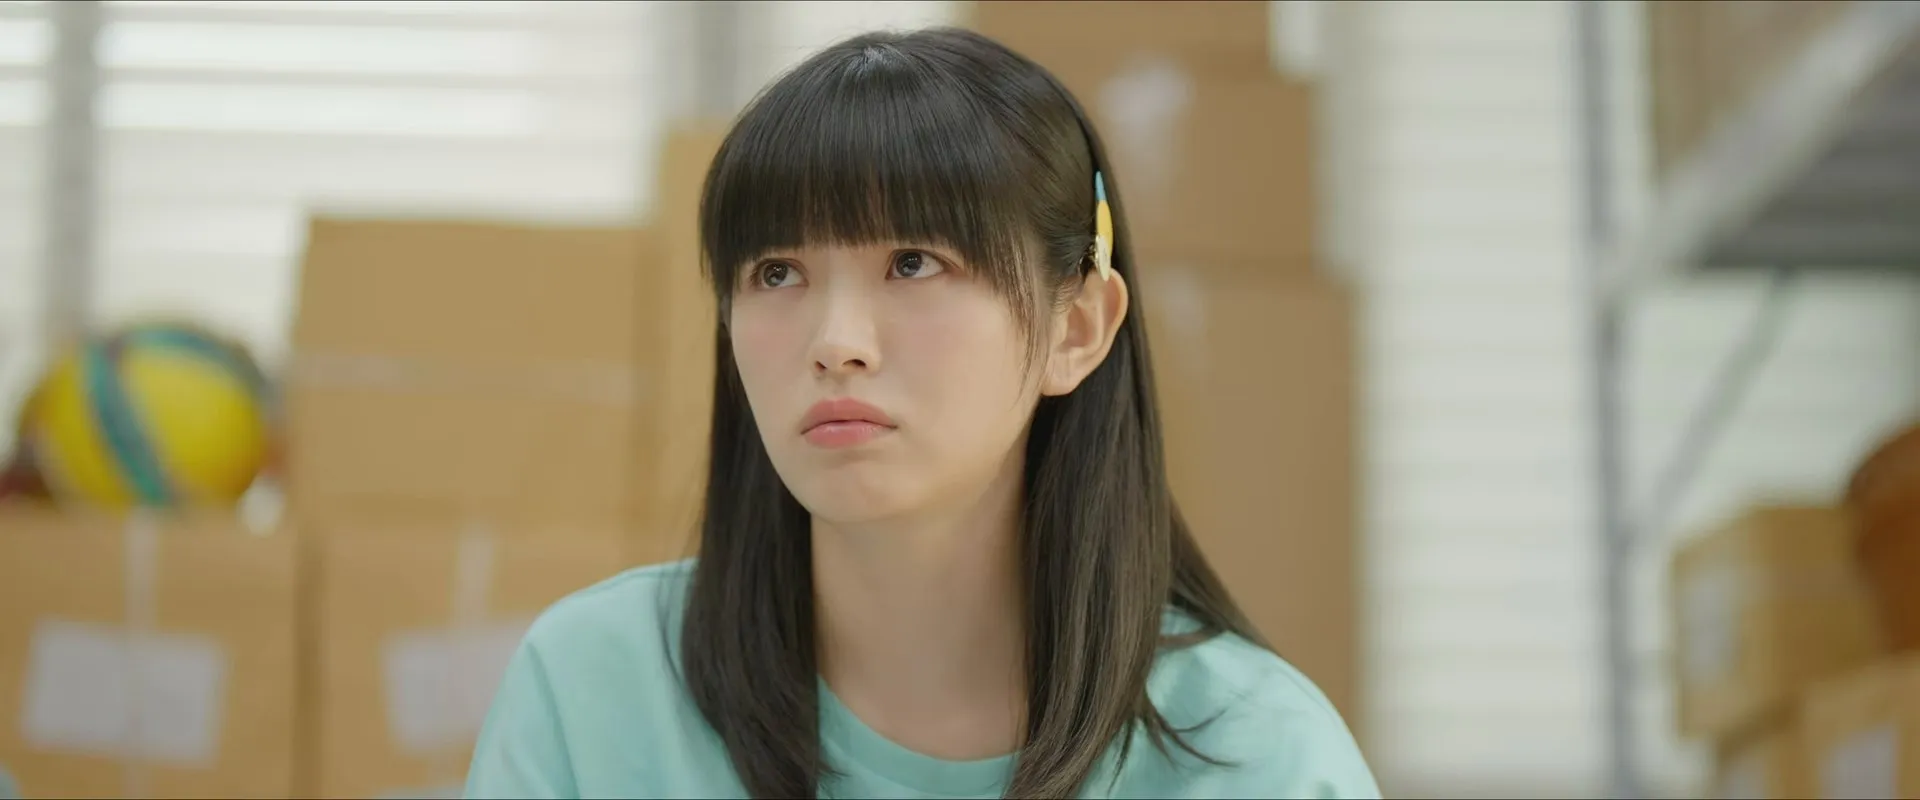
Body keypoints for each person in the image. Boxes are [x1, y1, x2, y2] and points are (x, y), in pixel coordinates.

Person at [464, 26, 1379, 800]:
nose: (836, 342)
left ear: (1076, 328)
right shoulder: (591, 693)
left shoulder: (1259, 758)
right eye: (777, 272)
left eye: (913, 263)